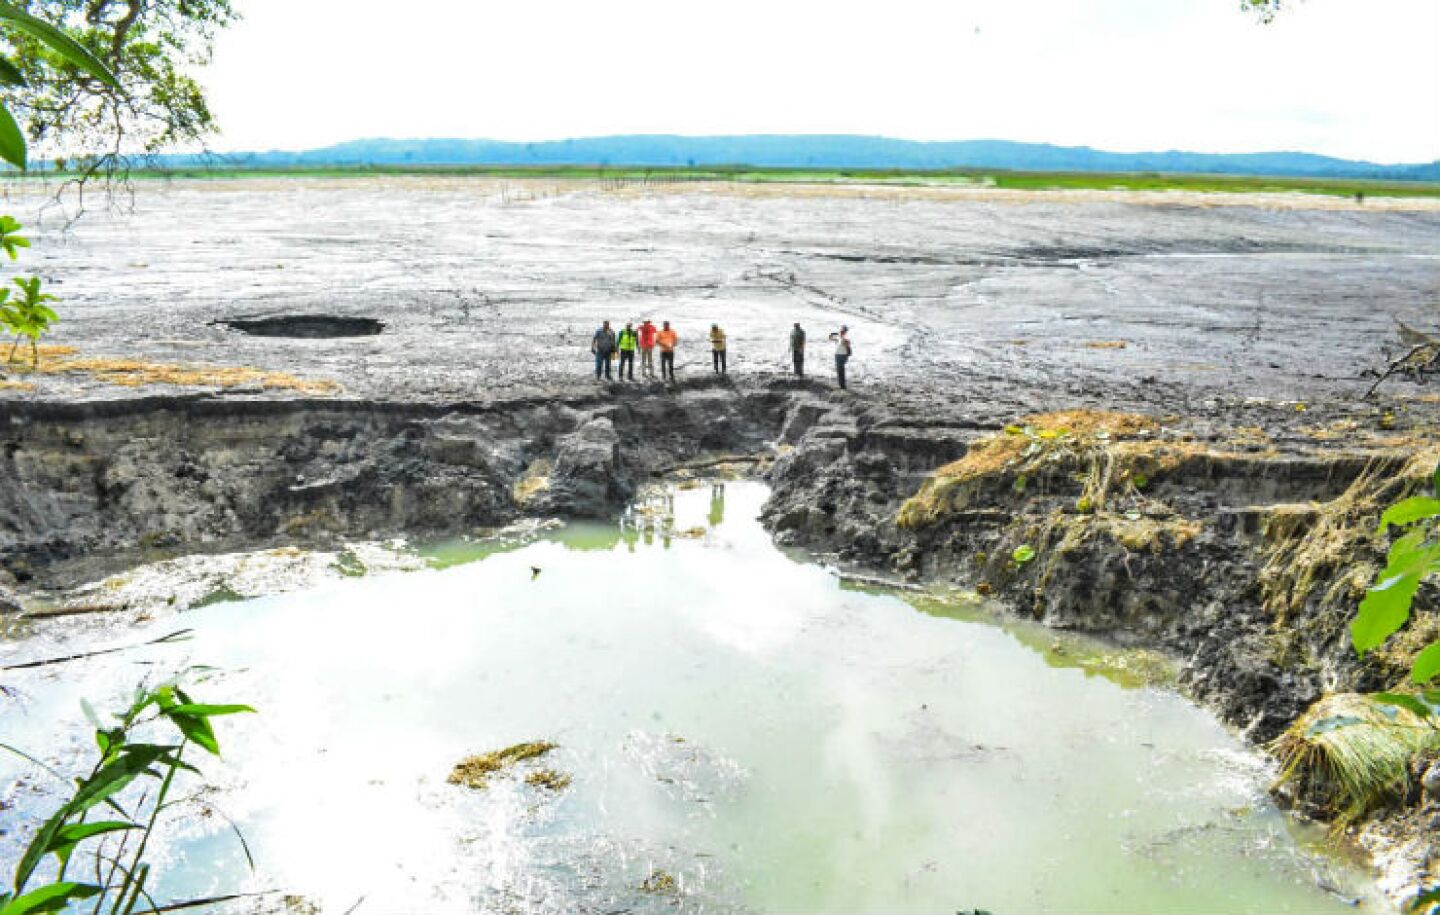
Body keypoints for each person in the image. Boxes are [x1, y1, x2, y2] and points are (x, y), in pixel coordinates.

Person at [828, 325, 852, 389]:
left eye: (843, 331)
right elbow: (830, 338)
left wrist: (844, 341)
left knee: (841, 370)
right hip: (838, 355)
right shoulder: (838, 338)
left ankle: (842, 385)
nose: (841, 332)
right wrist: (834, 333)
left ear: (845, 331)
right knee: (839, 370)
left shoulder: (845, 339)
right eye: (841, 331)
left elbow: (847, 346)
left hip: (842, 356)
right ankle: (841, 384)